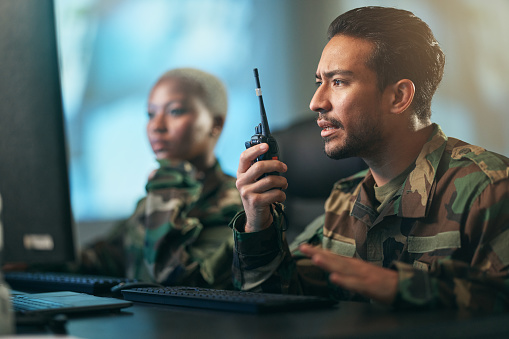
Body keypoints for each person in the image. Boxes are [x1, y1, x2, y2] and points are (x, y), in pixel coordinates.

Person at [231, 6, 509, 311]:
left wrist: (401, 288)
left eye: (338, 82)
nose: (316, 102)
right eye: (318, 82)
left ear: (398, 97)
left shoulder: (490, 187)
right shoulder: (343, 199)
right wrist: (259, 224)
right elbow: (275, 301)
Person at [79, 68, 243, 288]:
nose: (156, 126)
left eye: (175, 111)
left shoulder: (236, 203)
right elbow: (104, 258)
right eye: (150, 114)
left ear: (216, 123)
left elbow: (176, 282)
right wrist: (32, 263)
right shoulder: (150, 200)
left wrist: (167, 190)